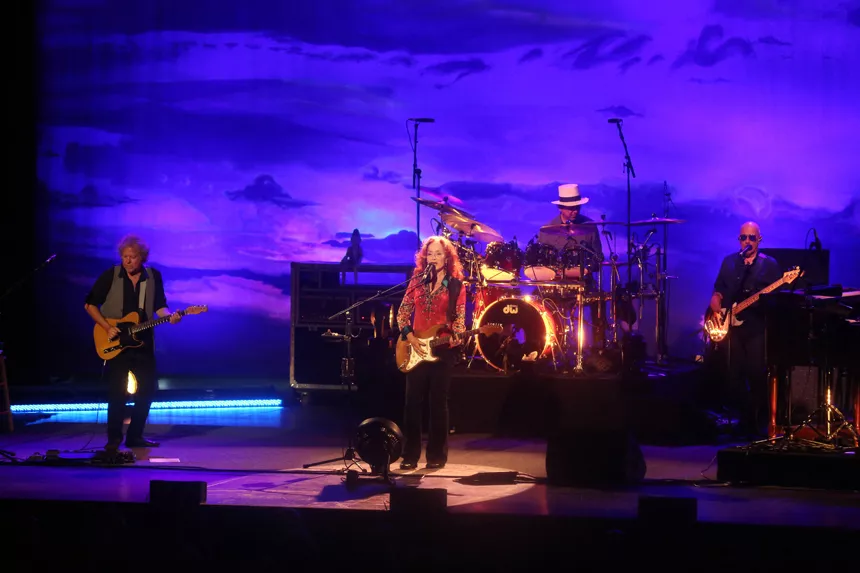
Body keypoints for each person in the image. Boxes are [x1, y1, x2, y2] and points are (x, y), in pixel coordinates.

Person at [84, 234, 182, 449]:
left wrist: (170, 316)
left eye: (133, 257)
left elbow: (160, 306)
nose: (128, 261)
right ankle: (114, 439)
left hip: (143, 342)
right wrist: (107, 327)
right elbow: (90, 305)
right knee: (117, 392)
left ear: (142, 257)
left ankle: (135, 436)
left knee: (147, 390)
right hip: (116, 341)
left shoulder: (153, 277)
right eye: (124, 257)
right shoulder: (111, 275)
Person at [396, 236, 467, 470]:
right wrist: (410, 337)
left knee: (438, 403)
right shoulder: (416, 281)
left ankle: (436, 455)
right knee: (412, 403)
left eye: (438, 254)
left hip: (442, 350)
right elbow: (402, 314)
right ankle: (409, 455)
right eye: (430, 254)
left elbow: (459, 320)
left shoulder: (456, 285)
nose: (433, 258)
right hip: (415, 348)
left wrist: (457, 335)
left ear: (447, 258)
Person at [710, 221, 780, 437]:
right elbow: (719, 288)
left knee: (756, 372)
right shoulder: (730, 262)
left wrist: (759, 302)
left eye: (752, 237)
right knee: (734, 374)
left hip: (756, 326)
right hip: (731, 327)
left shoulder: (769, 264)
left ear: (759, 239)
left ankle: (758, 420)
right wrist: (716, 299)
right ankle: (742, 419)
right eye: (743, 238)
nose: (747, 241)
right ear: (738, 239)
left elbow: (776, 298)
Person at [537, 183, 606, 345]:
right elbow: (541, 260)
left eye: (577, 207)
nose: (574, 211)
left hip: (583, 281)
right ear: (560, 208)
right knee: (537, 297)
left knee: (600, 299)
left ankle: (599, 345)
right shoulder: (547, 230)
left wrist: (587, 270)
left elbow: (598, 257)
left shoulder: (589, 227)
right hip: (556, 283)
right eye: (570, 208)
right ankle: (548, 343)